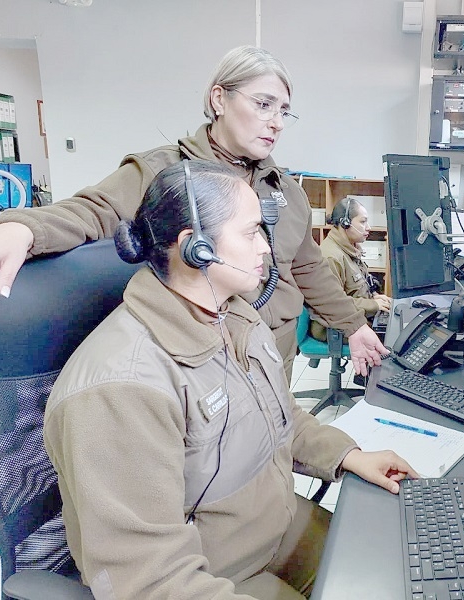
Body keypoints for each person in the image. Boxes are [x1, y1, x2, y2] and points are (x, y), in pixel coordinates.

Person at [44, 160, 415, 600]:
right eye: (252, 231)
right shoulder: (120, 388)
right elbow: (150, 580)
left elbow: (280, 415)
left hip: (275, 528)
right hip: (218, 574)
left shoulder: (235, 315)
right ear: (195, 247)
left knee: (399, 567)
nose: (267, 248)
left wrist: (348, 455)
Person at [0, 45, 385, 382]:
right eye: (264, 105)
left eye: (284, 111)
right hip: (201, 361)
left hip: (273, 354)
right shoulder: (168, 172)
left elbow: (309, 270)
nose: (276, 123)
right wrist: (23, 227)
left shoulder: (287, 191)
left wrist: (354, 325)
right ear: (218, 99)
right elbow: (95, 209)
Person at [310, 196, 392, 341]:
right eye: (362, 221)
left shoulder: (349, 249)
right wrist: (373, 305)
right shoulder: (331, 257)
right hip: (333, 327)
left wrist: (374, 297)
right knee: (394, 339)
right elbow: (334, 304)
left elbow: (356, 288)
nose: (368, 228)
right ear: (345, 223)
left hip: (353, 317)